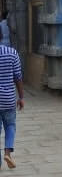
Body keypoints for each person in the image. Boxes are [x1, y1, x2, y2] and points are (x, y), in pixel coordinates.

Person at [0, 26, 24, 169]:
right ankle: (8, 153)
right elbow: (18, 77)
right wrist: (21, 97)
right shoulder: (12, 52)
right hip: (8, 99)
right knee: (10, 126)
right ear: (2, 35)